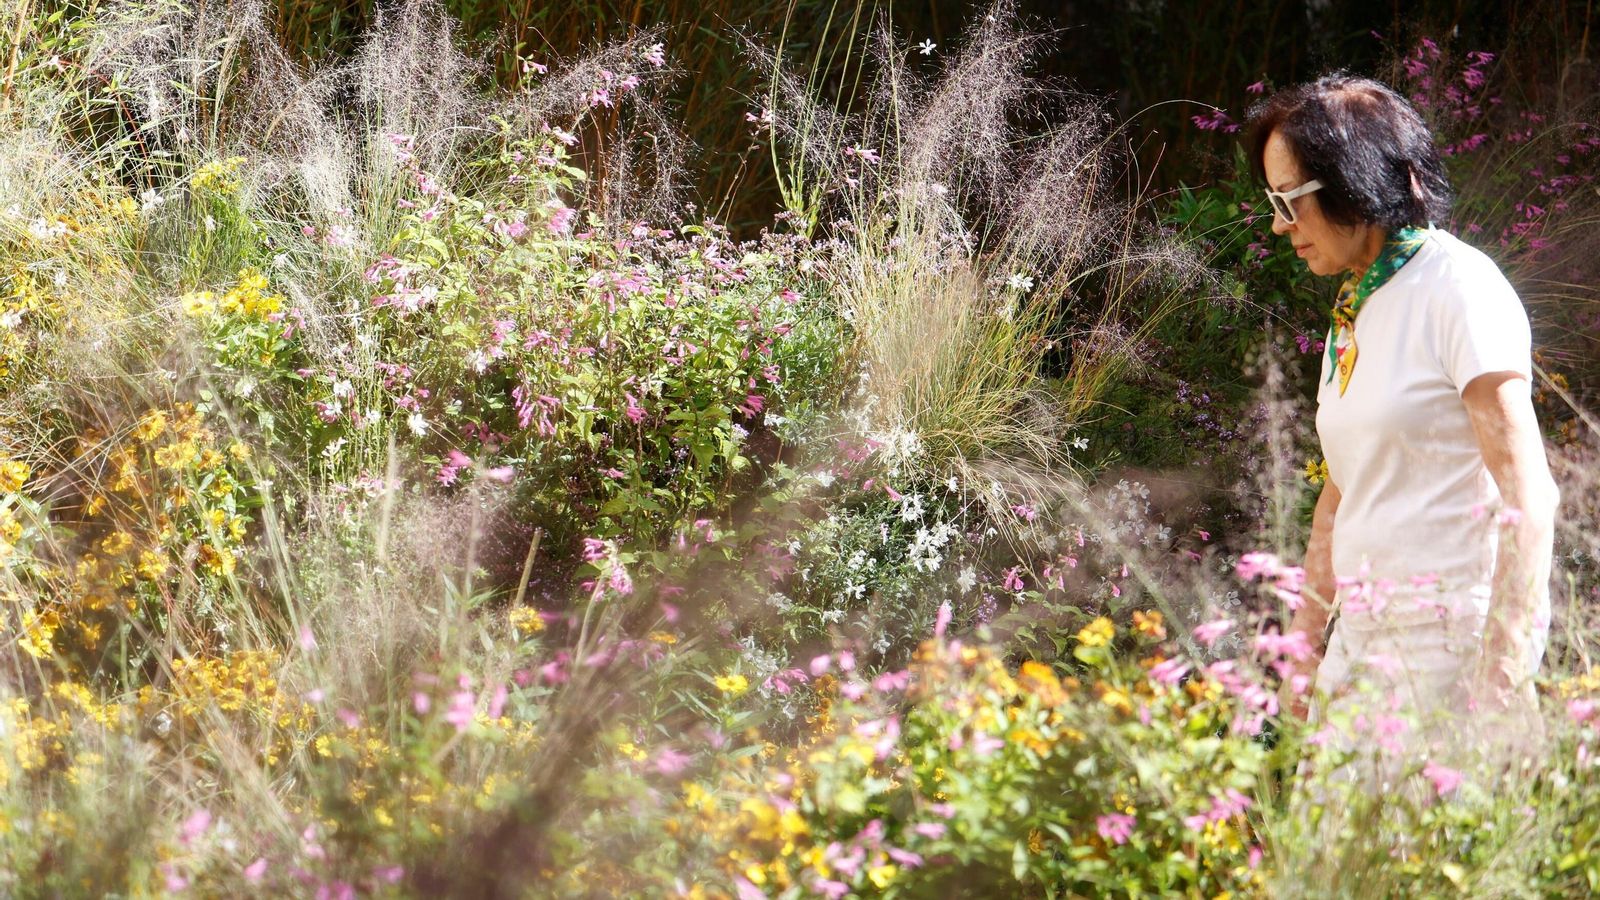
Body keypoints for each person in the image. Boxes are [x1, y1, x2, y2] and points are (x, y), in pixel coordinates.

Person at [1246, 75, 1559, 757]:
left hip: (1451, 663)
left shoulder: (1459, 288)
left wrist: (1499, 681)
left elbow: (1528, 496)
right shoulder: (1356, 305)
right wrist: (1303, 653)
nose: (1278, 225)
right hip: (1359, 659)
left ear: (1352, 183)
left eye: (1288, 201)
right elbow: (1341, 494)